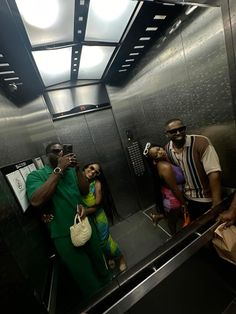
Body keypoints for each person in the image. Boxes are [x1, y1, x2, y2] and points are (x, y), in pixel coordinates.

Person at [26, 143, 111, 302]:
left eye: (62, 151)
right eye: (55, 151)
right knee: (86, 278)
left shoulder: (72, 171)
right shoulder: (36, 176)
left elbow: (84, 190)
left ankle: (115, 296)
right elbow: (36, 200)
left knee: (101, 264)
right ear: (47, 156)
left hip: (86, 225)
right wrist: (59, 169)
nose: (60, 154)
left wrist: (77, 169)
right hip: (63, 234)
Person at [165, 118, 222, 221]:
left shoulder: (201, 142)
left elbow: (214, 173)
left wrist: (216, 202)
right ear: (167, 134)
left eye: (181, 129)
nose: (178, 133)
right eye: (173, 131)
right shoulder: (167, 149)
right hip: (187, 198)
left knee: (212, 228)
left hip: (206, 198)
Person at [81, 163, 127, 272]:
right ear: (85, 168)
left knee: (104, 241)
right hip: (87, 218)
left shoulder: (96, 183)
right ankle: (109, 257)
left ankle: (120, 258)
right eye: (91, 168)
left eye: (96, 172)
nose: (92, 172)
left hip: (99, 217)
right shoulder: (77, 182)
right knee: (96, 242)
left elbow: (97, 202)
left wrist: (85, 209)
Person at [143, 143, 189, 235]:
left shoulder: (166, 161)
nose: (161, 152)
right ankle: (174, 240)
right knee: (172, 222)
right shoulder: (165, 167)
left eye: (159, 148)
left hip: (170, 196)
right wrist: (184, 204)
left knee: (172, 216)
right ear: (154, 161)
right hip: (173, 200)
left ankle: (157, 217)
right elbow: (175, 189)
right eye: (156, 154)